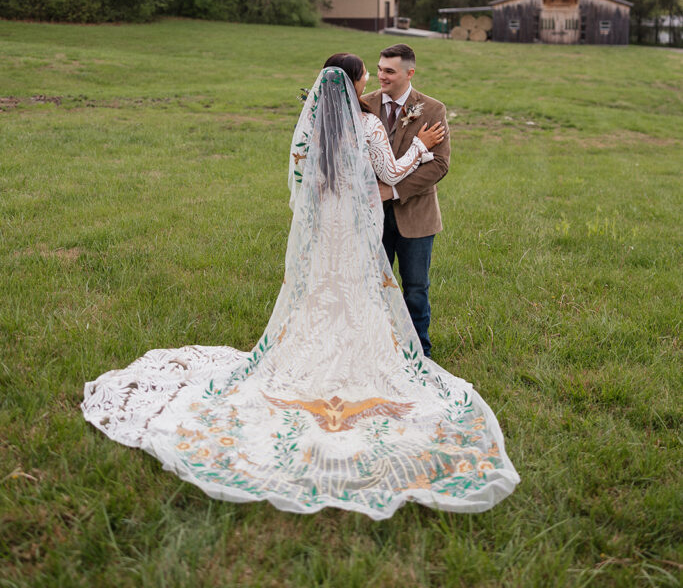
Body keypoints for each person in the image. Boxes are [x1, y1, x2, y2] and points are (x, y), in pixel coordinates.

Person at [82, 57, 518, 518]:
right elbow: (389, 174)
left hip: (321, 224)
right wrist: (423, 147)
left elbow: (299, 182)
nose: (373, 78)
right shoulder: (367, 127)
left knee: (320, 289)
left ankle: (308, 353)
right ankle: (366, 359)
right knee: (357, 290)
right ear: (355, 83)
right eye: (366, 75)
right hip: (352, 226)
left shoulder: (311, 128)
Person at [362, 44, 448, 357]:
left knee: (415, 289)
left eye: (389, 71)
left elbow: (439, 164)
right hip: (371, 215)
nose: (381, 76)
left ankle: (420, 353)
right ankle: (378, 349)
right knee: (373, 287)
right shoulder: (363, 104)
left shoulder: (432, 109)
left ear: (409, 73)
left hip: (417, 216)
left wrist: (395, 191)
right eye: (379, 69)